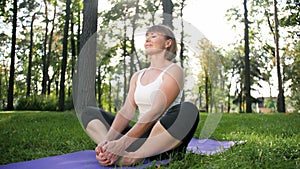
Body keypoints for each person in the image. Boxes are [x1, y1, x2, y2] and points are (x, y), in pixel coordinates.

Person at [82, 24, 199, 166]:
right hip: (139, 136)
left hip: (162, 139)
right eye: (146, 36)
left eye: (154, 36)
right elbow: (126, 111)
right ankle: (107, 151)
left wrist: (122, 142)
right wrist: (108, 142)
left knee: (189, 110)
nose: (148, 39)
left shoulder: (174, 70)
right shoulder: (138, 76)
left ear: (168, 43)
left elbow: (157, 110)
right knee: (89, 113)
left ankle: (133, 157)